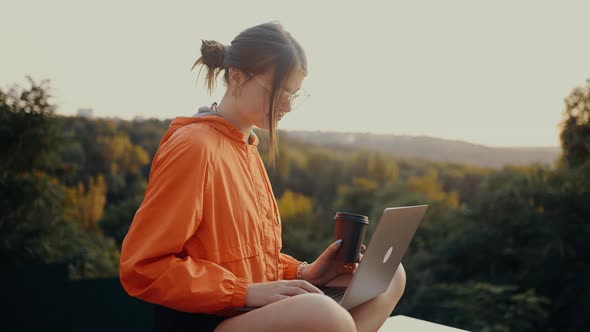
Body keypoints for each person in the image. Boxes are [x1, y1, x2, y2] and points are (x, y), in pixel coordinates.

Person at [119, 22, 406, 332]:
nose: (288, 105)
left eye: (295, 94)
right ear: (237, 76)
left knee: (387, 277)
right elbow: (144, 267)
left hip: (248, 311)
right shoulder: (194, 146)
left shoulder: (246, 148)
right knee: (327, 317)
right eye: (279, 91)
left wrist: (304, 273)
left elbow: (245, 258)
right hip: (205, 321)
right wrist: (244, 292)